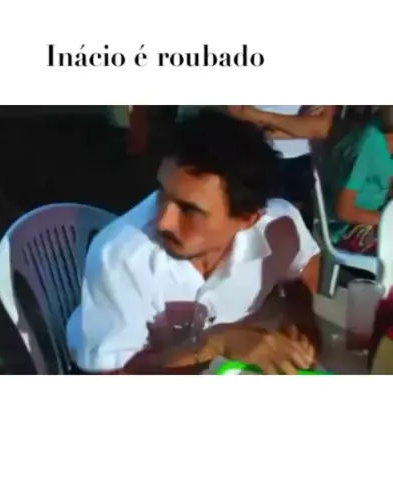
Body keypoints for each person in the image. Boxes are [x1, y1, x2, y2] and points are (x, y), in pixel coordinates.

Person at [67, 111, 322, 375]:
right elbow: (114, 375)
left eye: (189, 210)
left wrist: (300, 318)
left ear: (247, 219)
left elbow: (304, 262)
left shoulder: (279, 226)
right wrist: (216, 343)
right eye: (163, 193)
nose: (163, 221)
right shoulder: (121, 257)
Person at [178, 106, 336, 226]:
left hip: (296, 166)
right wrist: (297, 126)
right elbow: (229, 117)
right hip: (241, 159)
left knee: (286, 241)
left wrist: (253, 115)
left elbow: (320, 128)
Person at [322, 106, 393, 255]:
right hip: (350, 230)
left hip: (380, 218)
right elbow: (344, 211)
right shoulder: (368, 144)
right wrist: (386, 220)